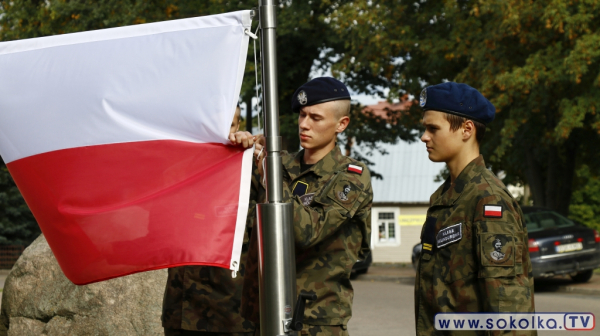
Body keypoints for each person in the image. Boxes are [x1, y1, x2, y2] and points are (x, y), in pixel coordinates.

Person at [230, 77, 373, 336]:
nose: (304, 124)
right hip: (261, 316)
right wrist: (233, 146)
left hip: (314, 320)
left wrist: (271, 177)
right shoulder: (279, 164)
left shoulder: (351, 176)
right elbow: (231, 207)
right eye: (302, 115)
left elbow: (308, 232)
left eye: (316, 118)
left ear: (341, 124)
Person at [415, 82, 536, 335]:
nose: (424, 136)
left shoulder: (488, 200)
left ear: (466, 130)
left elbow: (508, 312)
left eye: (433, 128)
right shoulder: (445, 197)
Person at [162, 105, 257, 336]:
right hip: (183, 309)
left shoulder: (250, 167)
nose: (225, 131)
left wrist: (252, 155)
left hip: (231, 312)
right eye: (217, 124)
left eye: (231, 124)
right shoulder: (178, 168)